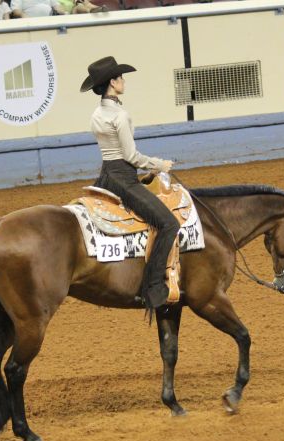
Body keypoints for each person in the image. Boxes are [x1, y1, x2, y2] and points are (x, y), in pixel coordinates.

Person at [81, 56, 179, 309]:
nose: (123, 81)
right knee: (169, 223)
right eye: (120, 77)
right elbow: (131, 156)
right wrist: (160, 165)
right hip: (123, 179)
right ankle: (153, 285)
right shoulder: (120, 115)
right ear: (112, 83)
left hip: (105, 176)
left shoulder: (96, 114)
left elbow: (113, 153)